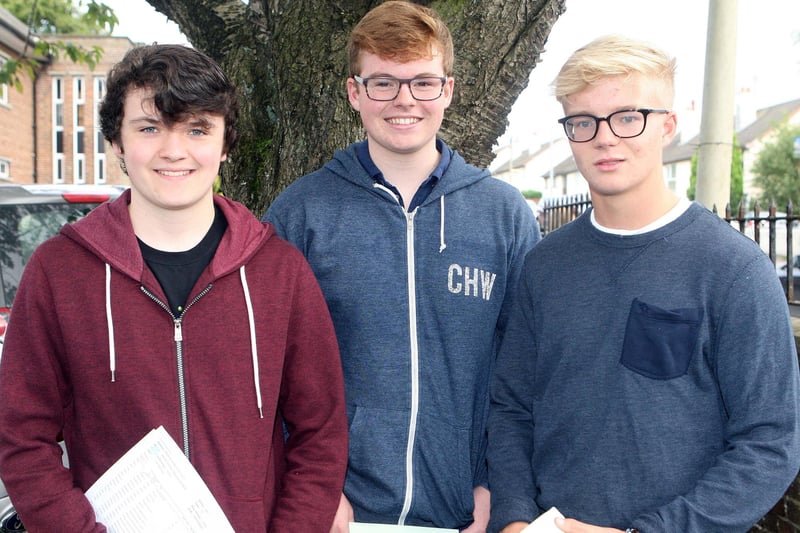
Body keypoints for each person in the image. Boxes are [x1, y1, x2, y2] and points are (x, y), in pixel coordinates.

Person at [0, 44, 349, 531]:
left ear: (225, 145)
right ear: (117, 143)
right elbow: (20, 437)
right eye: (149, 128)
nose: (173, 150)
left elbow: (321, 435)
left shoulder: (280, 273)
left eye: (197, 129)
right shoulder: (59, 272)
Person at [487, 34, 800, 533]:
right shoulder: (543, 266)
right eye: (583, 121)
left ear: (668, 127)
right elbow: (512, 408)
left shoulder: (733, 269)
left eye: (629, 117)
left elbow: (769, 445)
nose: (605, 138)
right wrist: (514, 516)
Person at [264, 1, 540, 530]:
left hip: (466, 515)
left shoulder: (503, 215)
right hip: (339, 516)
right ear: (354, 92)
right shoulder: (301, 213)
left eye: (423, 82)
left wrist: (499, 489)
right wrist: (312, 490)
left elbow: (523, 370)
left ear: (449, 91)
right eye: (383, 83)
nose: (404, 100)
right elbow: (268, 370)